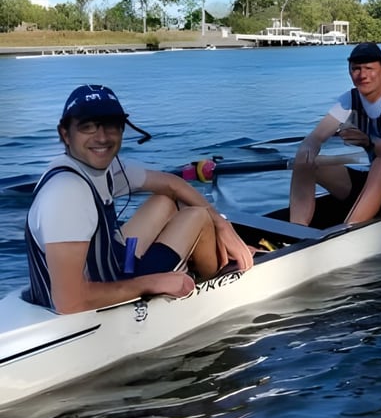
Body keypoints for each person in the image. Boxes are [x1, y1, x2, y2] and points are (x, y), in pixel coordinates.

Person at [26, 85, 254, 314]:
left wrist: (223, 226)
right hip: (92, 298)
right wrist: (155, 282)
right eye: (88, 127)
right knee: (199, 216)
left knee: (165, 199)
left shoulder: (95, 168)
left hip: (108, 266)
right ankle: (218, 274)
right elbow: (70, 303)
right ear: (65, 134)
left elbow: (171, 183)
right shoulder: (67, 193)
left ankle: (218, 248)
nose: (102, 137)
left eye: (111, 126)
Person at [289, 42, 381, 226]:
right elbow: (317, 136)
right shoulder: (349, 99)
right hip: (377, 181)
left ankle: (346, 234)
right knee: (306, 161)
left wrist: (368, 142)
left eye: (369, 68)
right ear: (349, 72)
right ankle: (297, 231)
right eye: (356, 69)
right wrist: (306, 149)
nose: (362, 75)